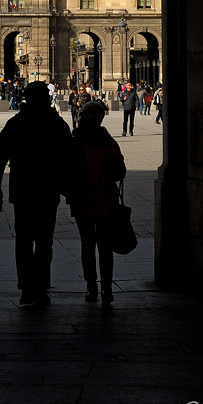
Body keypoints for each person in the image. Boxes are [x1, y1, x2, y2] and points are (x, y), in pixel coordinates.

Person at [0, 80, 73, 308]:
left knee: (24, 241)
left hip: (22, 188)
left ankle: (27, 288)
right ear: (45, 98)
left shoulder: (16, 123)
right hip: (47, 189)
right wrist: (70, 188)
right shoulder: (56, 123)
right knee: (44, 242)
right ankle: (39, 286)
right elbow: (69, 158)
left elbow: (1, 155)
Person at [66, 100, 126, 306]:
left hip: (83, 201)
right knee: (104, 246)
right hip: (105, 200)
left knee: (88, 245)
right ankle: (106, 287)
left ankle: (91, 286)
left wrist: (68, 193)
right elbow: (120, 173)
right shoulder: (109, 142)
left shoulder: (75, 141)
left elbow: (65, 172)